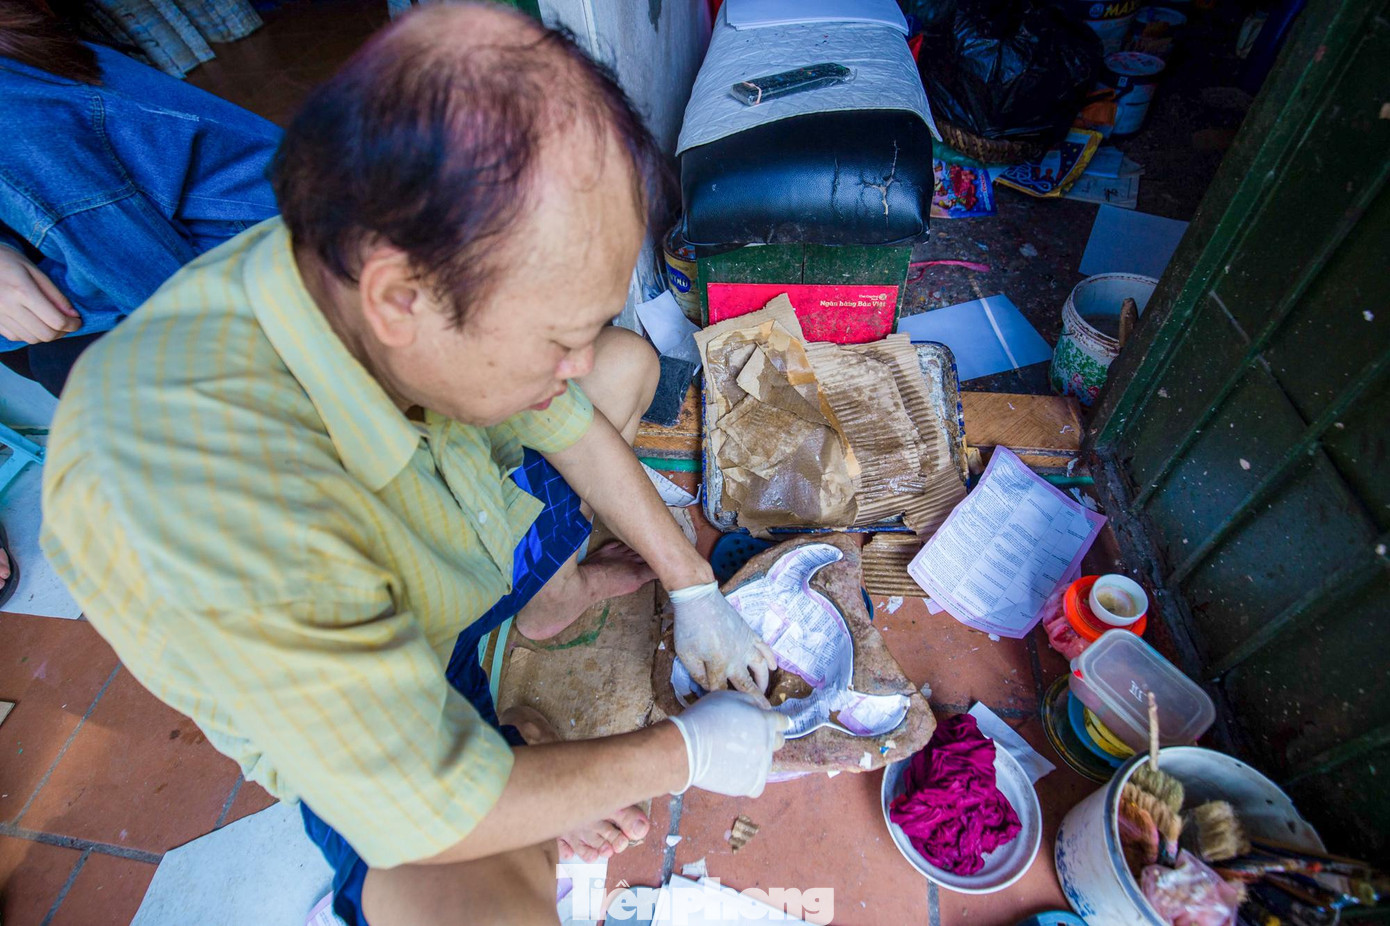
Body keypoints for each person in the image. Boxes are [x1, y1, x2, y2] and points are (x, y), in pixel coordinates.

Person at [40, 4, 787, 924]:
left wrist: (690, 587)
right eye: (557, 337)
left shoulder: (369, 277)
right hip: (363, 690)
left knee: (626, 370)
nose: (573, 364)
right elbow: (428, 813)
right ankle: (501, 741)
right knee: (476, 903)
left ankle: (528, 659)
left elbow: (564, 417)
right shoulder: (199, 485)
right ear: (404, 299)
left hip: (450, 582)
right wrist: (686, 754)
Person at [0, 0, 282, 397]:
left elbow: (167, 292)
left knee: (67, 363)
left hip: (287, 228)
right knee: (41, 346)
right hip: (254, 204)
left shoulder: (10, 116)